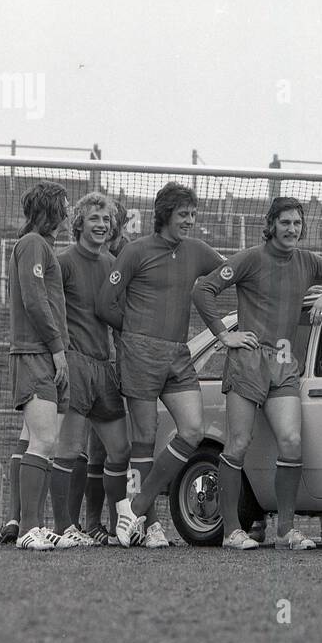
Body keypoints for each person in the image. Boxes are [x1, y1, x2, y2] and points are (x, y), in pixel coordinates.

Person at [192, 197, 322, 551]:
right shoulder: (250, 258)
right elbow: (203, 289)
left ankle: (286, 531)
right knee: (238, 444)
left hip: (285, 365)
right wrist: (223, 334)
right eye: (285, 222)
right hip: (248, 362)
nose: (292, 229)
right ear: (271, 224)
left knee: (291, 441)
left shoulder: (306, 261)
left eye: (297, 224)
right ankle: (231, 532)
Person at [97, 181, 225, 548]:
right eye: (184, 214)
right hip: (139, 354)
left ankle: (133, 507)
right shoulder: (135, 252)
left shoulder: (197, 250)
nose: (190, 221)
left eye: (193, 215)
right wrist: (138, 332)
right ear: (165, 214)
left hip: (178, 354)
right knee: (144, 440)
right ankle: (149, 526)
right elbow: (105, 305)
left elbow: (234, 273)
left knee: (192, 430)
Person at [4, 181, 84, 550]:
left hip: (46, 352)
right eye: (64, 207)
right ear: (50, 210)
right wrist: (56, 349)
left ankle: (23, 522)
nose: (68, 215)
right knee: (45, 439)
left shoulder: (41, 246)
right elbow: (35, 300)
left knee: (32, 439)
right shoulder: (33, 244)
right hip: (36, 353)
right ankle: (28, 530)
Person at [52, 192, 131, 547]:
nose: (102, 225)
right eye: (95, 219)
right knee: (68, 450)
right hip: (75, 363)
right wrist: (59, 357)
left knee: (121, 450)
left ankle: (120, 527)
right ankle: (63, 527)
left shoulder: (113, 263)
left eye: (107, 220)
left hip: (105, 367)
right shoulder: (63, 262)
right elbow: (49, 312)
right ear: (79, 223)